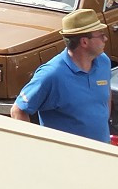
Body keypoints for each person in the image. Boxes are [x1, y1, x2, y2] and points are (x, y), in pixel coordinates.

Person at [11, 9, 111, 143]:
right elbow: (18, 110)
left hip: (101, 153)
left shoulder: (103, 61)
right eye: (101, 35)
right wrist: (31, 147)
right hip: (66, 159)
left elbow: (105, 97)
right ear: (84, 42)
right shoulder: (51, 74)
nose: (105, 38)